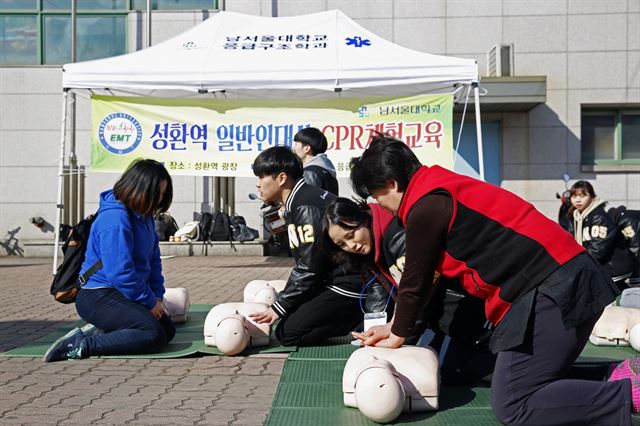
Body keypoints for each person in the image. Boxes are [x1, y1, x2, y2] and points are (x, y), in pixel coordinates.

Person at [349, 135, 631, 425]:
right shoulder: (439, 187)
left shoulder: (426, 205)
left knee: (515, 402)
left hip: (553, 286)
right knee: (521, 379)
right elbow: (425, 280)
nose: (378, 205)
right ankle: (626, 377)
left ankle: (629, 397)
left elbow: (415, 279)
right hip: (559, 278)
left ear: (392, 184)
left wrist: (397, 335)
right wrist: (394, 326)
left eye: (375, 195)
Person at [324, 197, 495, 385]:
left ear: (362, 218)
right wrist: (379, 331)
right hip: (441, 317)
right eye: (342, 244)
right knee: (436, 371)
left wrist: (396, 336)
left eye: (350, 236)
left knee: (446, 373)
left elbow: (417, 293)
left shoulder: (398, 237)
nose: (351, 246)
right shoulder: (375, 248)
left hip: (466, 310)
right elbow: (386, 293)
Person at [44, 159, 176, 362]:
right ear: (140, 189)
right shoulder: (115, 218)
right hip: (96, 294)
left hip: (121, 292)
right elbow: (120, 272)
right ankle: (79, 345)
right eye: (157, 193)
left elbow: (153, 262)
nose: (160, 199)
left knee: (167, 331)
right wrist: (149, 301)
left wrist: (157, 297)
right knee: (153, 334)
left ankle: (107, 330)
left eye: (162, 193)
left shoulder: (145, 216)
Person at [249, 146, 361, 346]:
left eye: (261, 178)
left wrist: (279, 307)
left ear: (281, 178)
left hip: (346, 286)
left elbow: (308, 269)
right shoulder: (303, 198)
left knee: (287, 334)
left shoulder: (304, 207)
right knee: (288, 316)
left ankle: (354, 326)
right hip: (335, 278)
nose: (258, 185)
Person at [569, 180, 634, 287]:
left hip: (612, 267)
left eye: (582, 196)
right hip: (599, 266)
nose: (578, 200)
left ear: (592, 197)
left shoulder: (598, 217)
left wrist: (578, 266)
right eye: (574, 196)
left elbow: (597, 249)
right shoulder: (577, 217)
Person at [292, 127, 339, 195]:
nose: (294, 148)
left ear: (306, 148)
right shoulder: (326, 169)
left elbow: (307, 202)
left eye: (296, 144)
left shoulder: (310, 173)